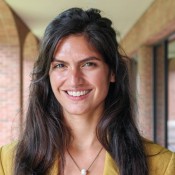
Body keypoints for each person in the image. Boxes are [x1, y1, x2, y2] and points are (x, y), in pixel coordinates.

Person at [0, 7, 175, 175]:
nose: (74, 80)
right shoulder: (7, 162)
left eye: (88, 64)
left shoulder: (162, 165)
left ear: (112, 72)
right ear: (48, 74)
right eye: (60, 65)